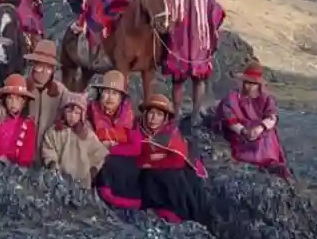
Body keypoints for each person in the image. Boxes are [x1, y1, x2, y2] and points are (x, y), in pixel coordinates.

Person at [163, 0, 225, 123]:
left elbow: (218, 12)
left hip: (199, 46)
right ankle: (175, 115)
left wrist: (211, 29)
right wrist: (167, 24)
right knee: (177, 81)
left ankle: (195, 114)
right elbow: (163, 13)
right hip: (178, 45)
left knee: (199, 80)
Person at [137, 93, 210, 224]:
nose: (153, 118)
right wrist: (153, 159)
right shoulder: (138, 131)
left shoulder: (171, 134)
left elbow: (178, 159)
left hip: (174, 174)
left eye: (159, 115)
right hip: (154, 174)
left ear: (165, 118)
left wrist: (151, 162)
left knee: (175, 176)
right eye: (151, 113)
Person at [0, 39, 65, 163]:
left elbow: (77, 103)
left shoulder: (60, 91)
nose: (43, 71)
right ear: (34, 64)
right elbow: (0, 97)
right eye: (40, 65)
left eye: (48, 68)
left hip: (46, 158)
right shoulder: (22, 84)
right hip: (19, 156)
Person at [215, 60, 290, 179]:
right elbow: (228, 117)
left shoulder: (266, 98)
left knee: (269, 134)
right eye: (247, 83)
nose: (249, 87)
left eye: (253, 83)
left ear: (258, 85)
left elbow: (272, 117)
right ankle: (254, 159)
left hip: (260, 130)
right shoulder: (232, 98)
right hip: (239, 132)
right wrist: (243, 131)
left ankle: (270, 162)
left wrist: (261, 128)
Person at [86, 70, 142, 209]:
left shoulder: (130, 117)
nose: (110, 97)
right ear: (100, 94)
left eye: (115, 93)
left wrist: (112, 148)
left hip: (121, 160)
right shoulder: (89, 111)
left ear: (121, 98)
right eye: (107, 92)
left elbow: (136, 146)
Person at [41, 90, 109, 188]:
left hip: (82, 180)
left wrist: (94, 169)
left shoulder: (86, 134)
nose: (72, 116)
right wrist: (52, 163)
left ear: (82, 115)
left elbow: (99, 153)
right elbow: (48, 148)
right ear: (63, 111)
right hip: (59, 179)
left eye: (77, 113)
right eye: (69, 111)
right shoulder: (55, 131)